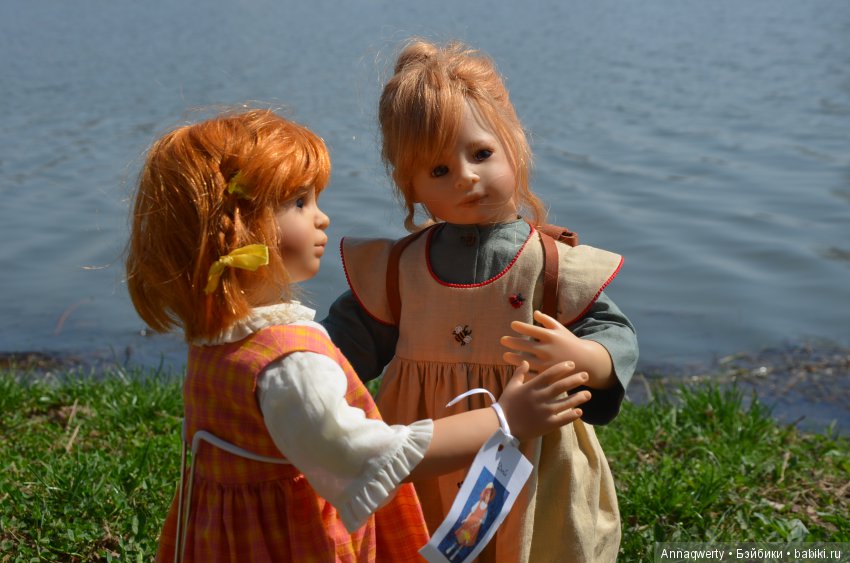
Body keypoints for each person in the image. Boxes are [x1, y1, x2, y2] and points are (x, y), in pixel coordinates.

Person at [125, 108, 591, 563]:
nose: (322, 218)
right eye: (299, 202)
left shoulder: (219, 341)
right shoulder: (289, 363)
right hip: (289, 538)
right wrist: (504, 419)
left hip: (224, 535)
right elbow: (367, 456)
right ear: (238, 229)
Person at [322, 39, 639, 562]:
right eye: (439, 171)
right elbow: (341, 345)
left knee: (536, 544)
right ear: (411, 186)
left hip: (535, 456)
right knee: (420, 543)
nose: (466, 177)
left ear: (514, 144)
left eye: (481, 154)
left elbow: (615, 336)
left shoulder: (550, 265)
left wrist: (586, 357)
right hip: (428, 454)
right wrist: (298, 364)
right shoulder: (399, 271)